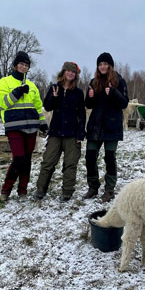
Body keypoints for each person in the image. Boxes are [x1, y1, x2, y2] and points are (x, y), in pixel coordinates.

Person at [0, 51, 48, 201]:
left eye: (26, 65)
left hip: (31, 127)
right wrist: (17, 92)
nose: (24, 67)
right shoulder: (4, 82)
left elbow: (38, 107)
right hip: (14, 127)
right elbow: (3, 103)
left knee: (27, 159)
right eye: (21, 64)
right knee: (18, 158)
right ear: (15, 65)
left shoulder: (32, 86)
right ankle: (5, 190)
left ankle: (22, 190)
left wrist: (42, 122)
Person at [34, 62, 86, 201]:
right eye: (68, 71)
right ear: (63, 72)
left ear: (76, 75)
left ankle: (67, 191)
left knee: (70, 164)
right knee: (48, 162)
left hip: (72, 134)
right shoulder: (54, 88)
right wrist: (54, 97)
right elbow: (48, 107)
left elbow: (82, 113)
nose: (70, 73)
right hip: (55, 133)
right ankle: (41, 189)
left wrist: (81, 132)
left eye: (73, 72)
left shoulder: (78, 92)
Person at [84, 52, 129, 202]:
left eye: (105, 64)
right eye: (100, 64)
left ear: (110, 66)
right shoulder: (93, 81)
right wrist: (89, 97)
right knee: (90, 157)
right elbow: (89, 105)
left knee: (110, 158)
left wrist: (114, 93)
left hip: (112, 126)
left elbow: (124, 103)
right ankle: (93, 186)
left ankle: (109, 190)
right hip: (95, 126)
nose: (102, 66)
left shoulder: (119, 81)